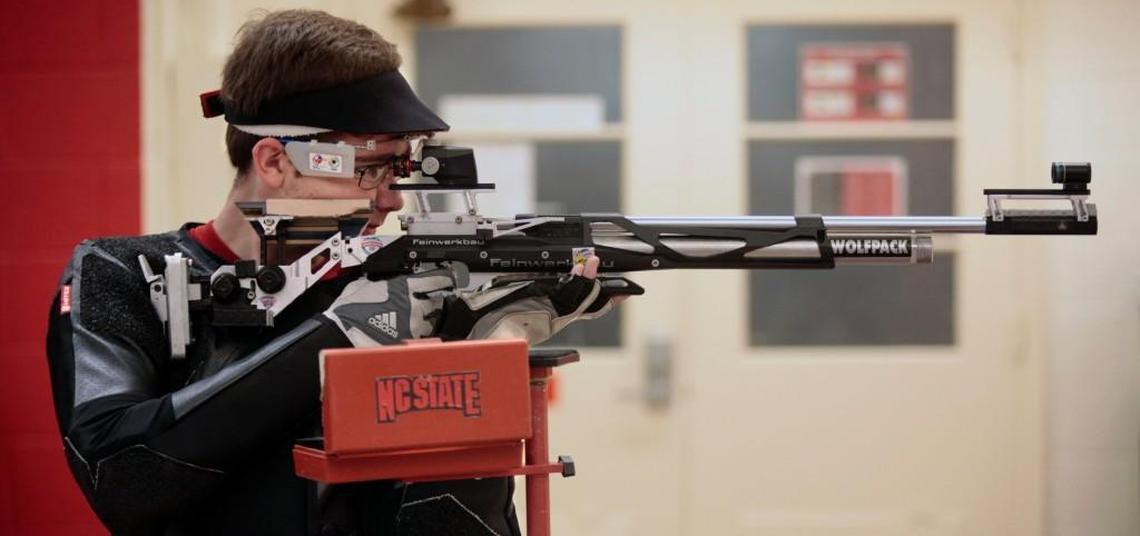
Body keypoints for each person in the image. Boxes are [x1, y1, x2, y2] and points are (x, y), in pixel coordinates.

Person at [45, 10, 615, 535]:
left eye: (400, 170)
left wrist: (474, 360)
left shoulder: (389, 288)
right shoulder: (120, 274)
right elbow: (123, 478)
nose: (391, 201)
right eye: (370, 169)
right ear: (274, 161)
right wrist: (347, 334)